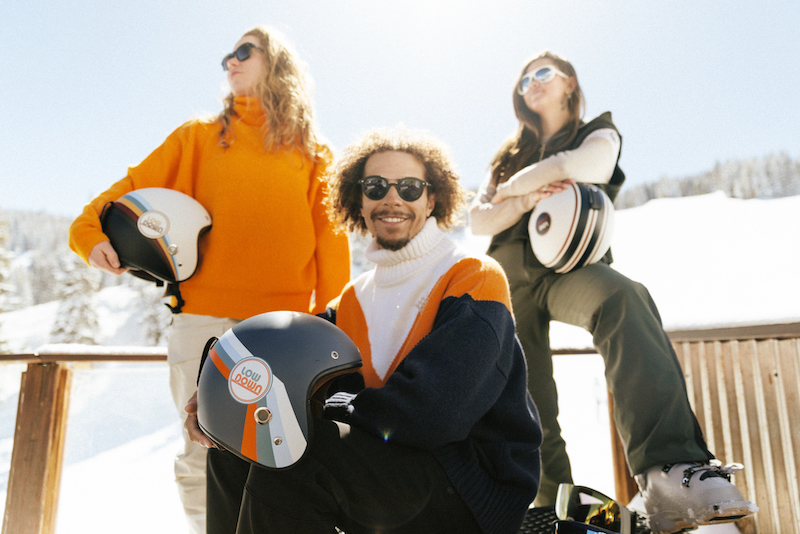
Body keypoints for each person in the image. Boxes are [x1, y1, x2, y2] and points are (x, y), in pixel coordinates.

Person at [185, 127, 543, 534]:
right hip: (386, 465)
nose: (392, 198)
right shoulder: (349, 302)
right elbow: (280, 372)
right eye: (375, 186)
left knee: (296, 458)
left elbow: (433, 413)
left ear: (432, 199)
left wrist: (333, 406)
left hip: (470, 484)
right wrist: (222, 401)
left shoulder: (473, 277)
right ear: (358, 199)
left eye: (409, 187)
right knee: (236, 450)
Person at [68, 26, 350, 534]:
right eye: (227, 55)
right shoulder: (197, 138)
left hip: (286, 331)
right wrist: (89, 234)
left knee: (284, 450)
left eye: (244, 51)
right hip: (204, 323)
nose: (230, 62)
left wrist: (335, 330)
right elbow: (122, 195)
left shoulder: (314, 154)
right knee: (203, 444)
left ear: (277, 61)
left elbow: (332, 249)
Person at [468, 51, 757, 533]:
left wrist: (513, 192)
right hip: (507, 274)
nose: (530, 84)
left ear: (569, 83)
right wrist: (527, 192)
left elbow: (591, 165)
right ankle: (552, 510)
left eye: (542, 73)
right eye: (522, 81)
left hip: (572, 268)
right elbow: (480, 220)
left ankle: (669, 470)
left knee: (623, 297)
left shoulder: (597, 131)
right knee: (525, 396)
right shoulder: (506, 152)